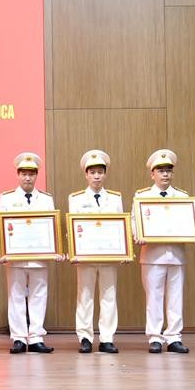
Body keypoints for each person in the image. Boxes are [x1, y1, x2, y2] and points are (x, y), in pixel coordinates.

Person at [134, 149, 195, 354]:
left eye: (168, 171)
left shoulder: (182, 197)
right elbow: (134, 221)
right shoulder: (142, 196)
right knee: (154, 297)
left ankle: (174, 337)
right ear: (152, 174)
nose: (165, 174)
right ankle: (155, 337)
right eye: (161, 171)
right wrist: (137, 234)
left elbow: (190, 222)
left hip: (176, 255)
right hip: (152, 255)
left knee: (175, 297)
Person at [0, 152, 59, 354]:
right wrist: (1, 251)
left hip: (39, 257)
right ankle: (18, 338)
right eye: (24, 174)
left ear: (36, 175)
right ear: (18, 175)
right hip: (15, 257)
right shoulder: (7, 198)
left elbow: (51, 227)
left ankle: (36, 337)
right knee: (15, 295)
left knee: (39, 295)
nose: (28, 178)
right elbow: (1, 226)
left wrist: (56, 250)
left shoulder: (46, 199)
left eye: (31, 174)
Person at [68, 149, 123, 354]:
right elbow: (73, 228)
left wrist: (123, 251)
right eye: (92, 172)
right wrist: (74, 252)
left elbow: (120, 227)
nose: (97, 176)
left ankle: (107, 338)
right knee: (85, 296)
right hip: (85, 256)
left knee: (109, 296)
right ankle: (85, 337)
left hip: (109, 256)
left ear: (105, 174)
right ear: (86, 175)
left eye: (100, 172)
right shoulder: (76, 199)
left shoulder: (115, 199)